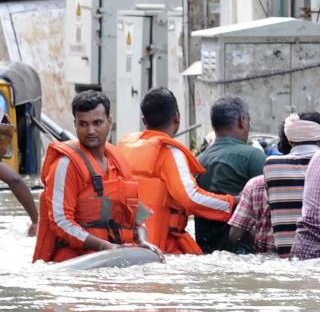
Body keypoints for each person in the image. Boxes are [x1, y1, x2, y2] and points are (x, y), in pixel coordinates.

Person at [32, 90, 161, 263]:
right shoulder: (65, 165)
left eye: (97, 123)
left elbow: (135, 216)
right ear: (75, 124)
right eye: (83, 124)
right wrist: (105, 247)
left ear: (109, 121)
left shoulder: (118, 161)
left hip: (116, 258)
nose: (90, 130)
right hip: (76, 265)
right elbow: (60, 221)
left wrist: (143, 241)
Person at [115, 88, 234, 255]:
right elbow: (190, 197)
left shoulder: (122, 147)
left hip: (122, 245)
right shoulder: (169, 151)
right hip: (160, 249)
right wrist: (232, 202)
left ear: (144, 120)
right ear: (177, 117)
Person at [226, 113, 320, 256]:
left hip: (278, 259)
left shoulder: (269, 168)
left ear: (288, 140)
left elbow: (235, 235)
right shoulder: (315, 167)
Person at [197, 95, 266, 253]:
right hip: (244, 253)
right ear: (242, 121)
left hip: (204, 252)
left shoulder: (197, 161)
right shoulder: (253, 156)